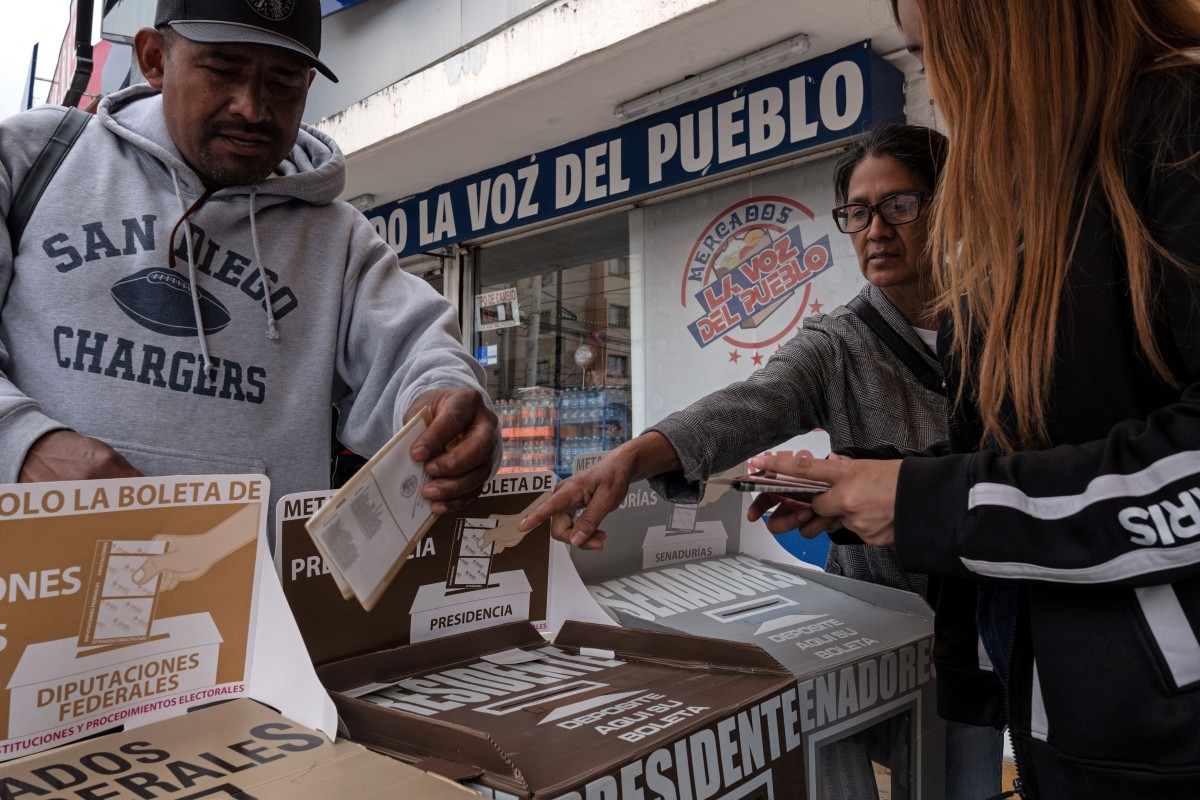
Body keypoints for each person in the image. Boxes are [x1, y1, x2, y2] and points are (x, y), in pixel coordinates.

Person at [754, 1, 1200, 797]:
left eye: (939, 54)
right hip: (1071, 719)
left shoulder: (1176, 130)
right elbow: (1030, 460)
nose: (942, 93)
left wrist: (924, 502)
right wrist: (873, 486)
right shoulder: (1040, 209)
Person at [519, 122, 1004, 799]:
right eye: (858, 213)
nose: (876, 230)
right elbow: (750, 405)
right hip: (870, 619)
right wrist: (631, 458)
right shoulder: (837, 343)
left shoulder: (1006, 326)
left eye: (900, 204)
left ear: (949, 203)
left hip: (981, 627)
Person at [0, 0, 498, 542]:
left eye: (283, 82)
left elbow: (416, 353)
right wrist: (20, 442)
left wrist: (446, 403)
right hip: (34, 589)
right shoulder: (34, 159)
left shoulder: (338, 240)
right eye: (223, 69)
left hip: (246, 609)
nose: (253, 109)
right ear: (153, 58)